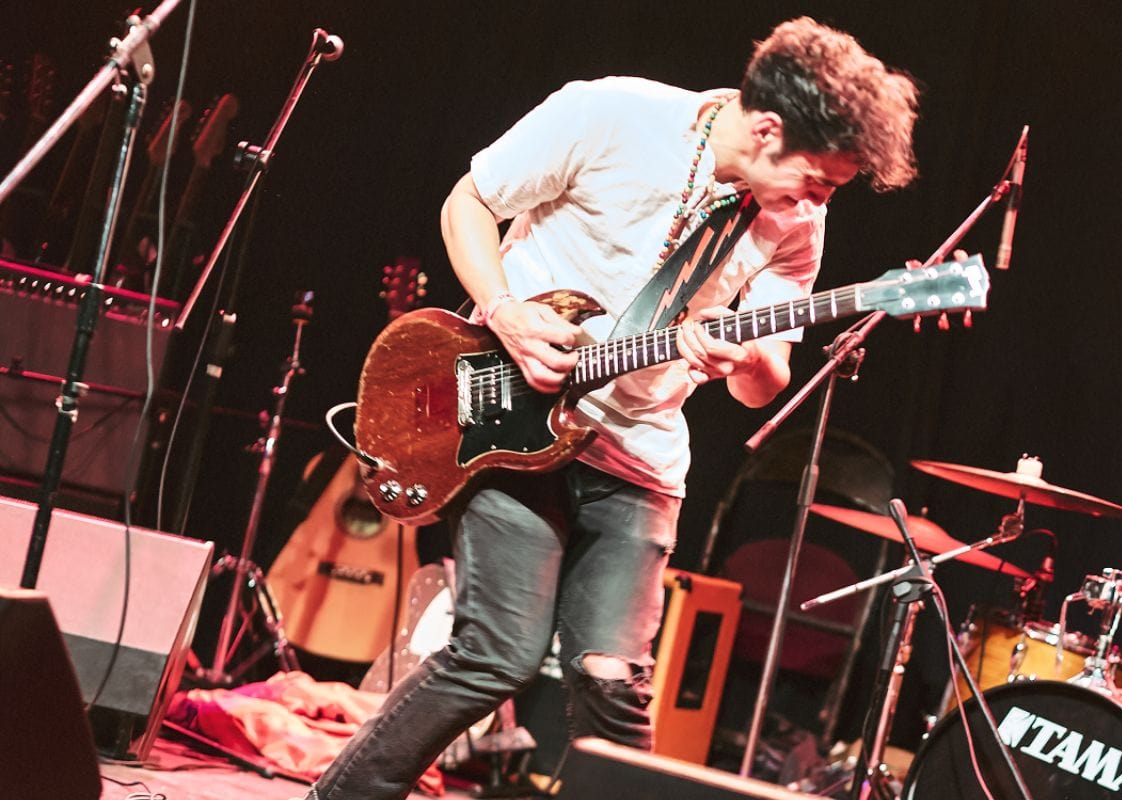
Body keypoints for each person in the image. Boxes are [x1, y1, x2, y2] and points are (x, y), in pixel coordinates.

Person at [307, 18, 919, 799]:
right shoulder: (612, 114)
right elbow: (470, 202)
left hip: (641, 450)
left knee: (612, 676)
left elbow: (764, 382)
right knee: (497, 654)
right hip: (509, 414)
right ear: (768, 130)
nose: (820, 201)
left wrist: (741, 355)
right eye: (820, 181)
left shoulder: (796, 222)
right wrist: (504, 311)